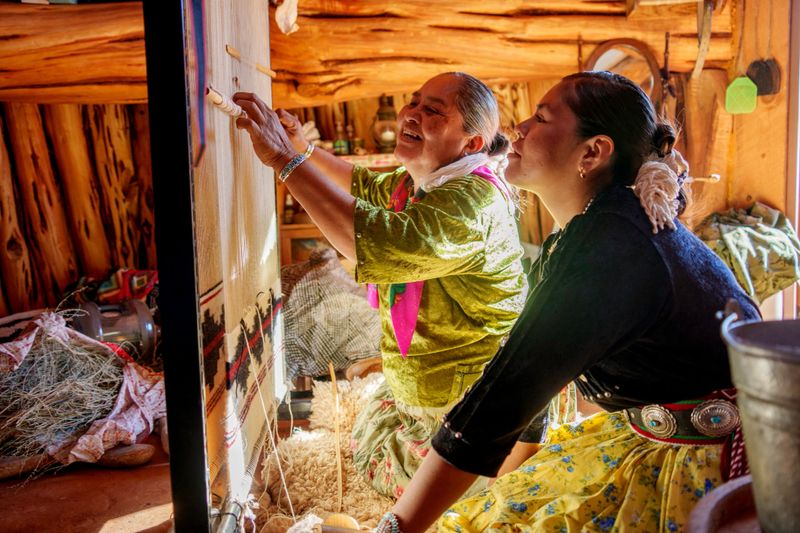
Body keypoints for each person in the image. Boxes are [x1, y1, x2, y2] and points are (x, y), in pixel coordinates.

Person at [375, 71, 761, 533]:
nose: (518, 127)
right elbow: (528, 374)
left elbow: (504, 395)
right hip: (654, 429)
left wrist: (395, 527)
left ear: (592, 152)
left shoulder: (614, 243)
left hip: (707, 460)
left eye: (540, 118)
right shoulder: (588, 230)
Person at [233, 72, 527, 498]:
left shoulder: (472, 203)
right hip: (432, 382)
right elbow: (365, 189)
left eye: (432, 111)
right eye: (414, 101)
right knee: (373, 429)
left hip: (471, 398)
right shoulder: (422, 182)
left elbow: (378, 242)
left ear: (472, 144)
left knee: (431, 482)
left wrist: (284, 161)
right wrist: (302, 149)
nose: (411, 114)